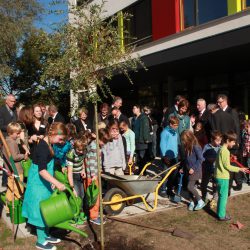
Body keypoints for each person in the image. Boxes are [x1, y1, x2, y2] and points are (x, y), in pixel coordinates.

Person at [22, 122, 67, 250]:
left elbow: (48, 168)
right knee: (40, 211)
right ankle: (40, 241)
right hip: (38, 184)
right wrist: (57, 183)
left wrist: (51, 182)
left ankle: (46, 235)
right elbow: (42, 171)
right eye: (61, 138)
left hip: (44, 183)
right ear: (52, 134)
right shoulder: (43, 147)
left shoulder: (49, 144)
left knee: (46, 209)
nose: (61, 141)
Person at [215, 132, 247, 221]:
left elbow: (223, 161)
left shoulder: (222, 149)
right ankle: (221, 215)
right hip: (223, 177)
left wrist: (229, 158)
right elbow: (227, 166)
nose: (234, 144)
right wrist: (240, 169)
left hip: (219, 176)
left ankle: (220, 212)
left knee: (221, 196)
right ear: (228, 140)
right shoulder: (225, 151)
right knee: (223, 197)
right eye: (233, 142)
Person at [85, 128, 110, 225]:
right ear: (99, 138)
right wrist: (93, 175)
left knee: (96, 196)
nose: (104, 143)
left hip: (95, 174)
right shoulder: (94, 147)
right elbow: (91, 162)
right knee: (94, 197)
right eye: (103, 141)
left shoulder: (97, 145)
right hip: (92, 176)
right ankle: (94, 217)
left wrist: (99, 169)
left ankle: (94, 214)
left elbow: (96, 161)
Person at [4, 123, 29, 208]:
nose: (18, 135)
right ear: (11, 133)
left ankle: (9, 207)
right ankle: (16, 207)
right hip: (16, 170)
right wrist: (23, 156)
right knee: (18, 189)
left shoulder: (6, 141)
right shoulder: (12, 143)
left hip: (10, 169)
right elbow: (14, 157)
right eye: (17, 133)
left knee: (11, 188)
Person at [181, 130, 205, 211]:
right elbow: (186, 160)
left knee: (189, 186)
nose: (183, 141)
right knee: (189, 187)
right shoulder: (187, 146)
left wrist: (193, 168)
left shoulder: (196, 146)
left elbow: (201, 159)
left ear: (189, 138)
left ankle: (200, 201)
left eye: (184, 139)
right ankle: (191, 202)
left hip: (195, 171)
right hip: (188, 170)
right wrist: (183, 168)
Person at [0, 94, 17, 187]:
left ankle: (13, 179)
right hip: (4, 138)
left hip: (13, 138)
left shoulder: (14, 110)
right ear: (6, 101)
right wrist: (11, 128)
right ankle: (4, 181)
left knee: (12, 159)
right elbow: (0, 125)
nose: (13, 103)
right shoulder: (1, 110)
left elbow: (16, 121)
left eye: (14, 101)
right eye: (11, 101)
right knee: (6, 159)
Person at [159, 116, 179, 198]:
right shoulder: (165, 132)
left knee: (173, 175)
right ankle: (163, 189)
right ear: (170, 124)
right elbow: (162, 145)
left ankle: (169, 189)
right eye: (175, 125)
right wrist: (164, 156)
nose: (176, 127)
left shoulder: (175, 133)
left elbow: (175, 144)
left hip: (174, 156)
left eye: (177, 125)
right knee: (165, 174)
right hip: (167, 157)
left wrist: (177, 153)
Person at [201, 131, 222, 202]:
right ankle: (204, 196)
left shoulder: (220, 148)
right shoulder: (206, 147)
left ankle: (215, 195)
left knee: (215, 183)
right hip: (207, 168)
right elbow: (202, 157)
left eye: (220, 141)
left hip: (216, 169)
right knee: (204, 183)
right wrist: (208, 159)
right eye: (217, 140)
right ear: (212, 139)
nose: (219, 142)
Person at [131, 105, 151, 171]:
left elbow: (145, 129)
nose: (133, 109)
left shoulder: (143, 117)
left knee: (142, 158)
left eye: (134, 108)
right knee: (139, 159)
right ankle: (140, 172)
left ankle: (143, 173)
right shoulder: (134, 118)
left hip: (142, 141)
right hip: (136, 141)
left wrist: (146, 139)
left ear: (138, 109)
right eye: (133, 108)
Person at [242, 120, 250, 185]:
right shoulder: (244, 132)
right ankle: (247, 178)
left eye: (246, 126)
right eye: (244, 126)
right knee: (246, 164)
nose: (245, 128)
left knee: (249, 163)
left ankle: (248, 179)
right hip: (246, 151)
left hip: (249, 151)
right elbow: (244, 141)